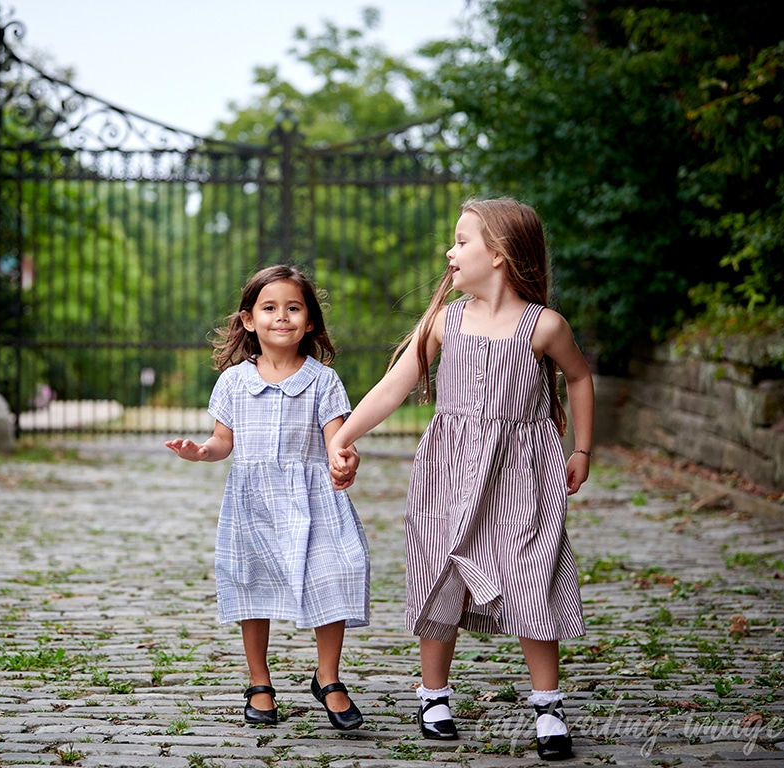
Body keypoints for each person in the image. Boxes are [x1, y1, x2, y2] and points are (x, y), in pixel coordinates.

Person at [326, 197, 593, 760]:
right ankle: (434, 694)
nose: (450, 252)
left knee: (532, 570)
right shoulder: (445, 322)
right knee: (440, 566)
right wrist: (343, 436)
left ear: (497, 255)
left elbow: (578, 376)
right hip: (448, 468)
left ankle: (548, 704)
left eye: (462, 240)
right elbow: (394, 385)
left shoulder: (544, 326)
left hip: (523, 470)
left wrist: (582, 448)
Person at [165, 264, 369, 731]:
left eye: (293, 307)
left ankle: (329, 678)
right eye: (270, 308)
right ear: (248, 321)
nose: (282, 317)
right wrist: (201, 452)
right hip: (253, 502)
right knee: (251, 582)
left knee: (333, 572)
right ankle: (259, 680)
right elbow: (223, 442)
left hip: (314, 500)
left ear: (310, 321)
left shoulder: (323, 381)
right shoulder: (235, 382)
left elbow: (339, 440)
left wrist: (345, 459)